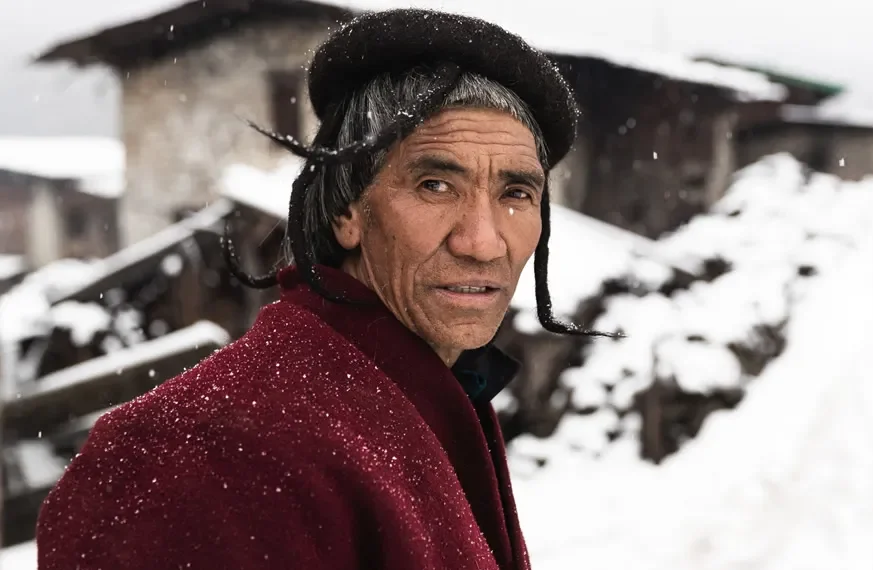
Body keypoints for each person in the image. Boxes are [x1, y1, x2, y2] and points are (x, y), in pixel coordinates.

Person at [35, 8, 608, 570]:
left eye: (516, 194)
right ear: (346, 212)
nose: (483, 243)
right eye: (435, 185)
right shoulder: (200, 452)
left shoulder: (436, 397)